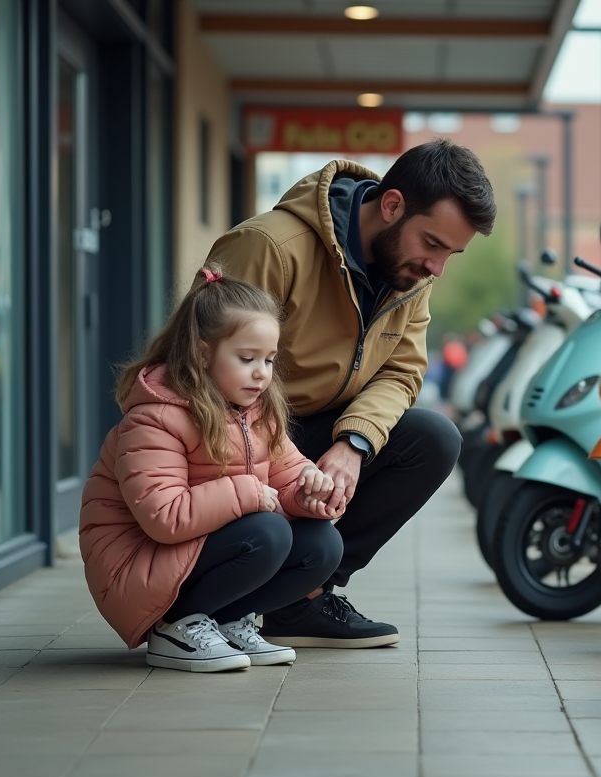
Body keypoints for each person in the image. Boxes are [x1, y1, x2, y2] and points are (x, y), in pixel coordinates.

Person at [205, 139, 496, 648]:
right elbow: (202, 368)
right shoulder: (269, 247)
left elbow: (402, 372)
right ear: (391, 205)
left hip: (320, 428)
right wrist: (281, 459)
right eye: (432, 243)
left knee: (432, 438)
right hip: (239, 435)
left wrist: (354, 442)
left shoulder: (410, 277)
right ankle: (215, 594)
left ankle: (304, 598)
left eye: (451, 253)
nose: (437, 268)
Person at [78, 266, 345, 672]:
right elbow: (165, 518)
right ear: (203, 353)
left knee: (323, 545)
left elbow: (287, 474)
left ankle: (223, 620)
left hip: (193, 550)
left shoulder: (255, 411)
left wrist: (312, 493)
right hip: (137, 562)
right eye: (246, 358)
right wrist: (250, 493)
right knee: (267, 532)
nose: (262, 373)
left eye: (269, 359)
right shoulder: (156, 417)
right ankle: (174, 625)